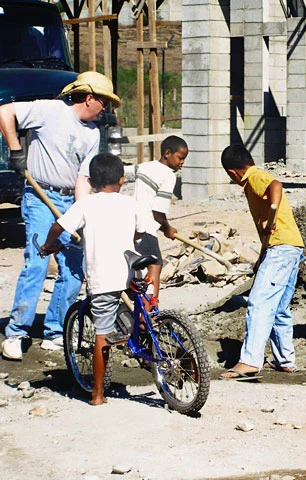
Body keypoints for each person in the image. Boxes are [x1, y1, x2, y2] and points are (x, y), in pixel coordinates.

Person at [1, 71, 121, 360]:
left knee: (74, 268)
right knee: (38, 262)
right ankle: (16, 332)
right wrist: (15, 150)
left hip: (69, 199)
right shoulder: (50, 110)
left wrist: (83, 213)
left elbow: (83, 179)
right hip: (41, 195)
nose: (106, 109)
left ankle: (55, 329)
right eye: (104, 102)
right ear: (89, 97)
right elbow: (4, 112)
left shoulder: (93, 133)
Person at [41, 153, 142, 405]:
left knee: (102, 334)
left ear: (91, 181)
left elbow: (59, 227)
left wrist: (48, 245)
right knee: (143, 312)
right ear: (122, 179)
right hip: (132, 272)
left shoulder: (86, 204)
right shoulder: (131, 203)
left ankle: (97, 394)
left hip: (104, 277)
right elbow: (141, 231)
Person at [219, 144, 305, 379]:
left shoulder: (253, 176)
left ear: (232, 172)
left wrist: (272, 214)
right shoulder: (253, 178)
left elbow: (276, 185)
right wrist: (262, 256)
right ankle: (284, 360)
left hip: (282, 249)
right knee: (279, 308)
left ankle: (249, 361)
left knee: (259, 302)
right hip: (289, 247)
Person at [133, 135, 188, 305]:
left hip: (132, 224)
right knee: (155, 265)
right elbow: (158, 211)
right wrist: (168, 228)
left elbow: (121, 173)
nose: (182, 163)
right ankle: (149, 311)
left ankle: (138, 308)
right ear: (167, 153)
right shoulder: (168, 175)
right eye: (180, 158)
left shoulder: (144, 167)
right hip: (147, 227)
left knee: (137, 269)